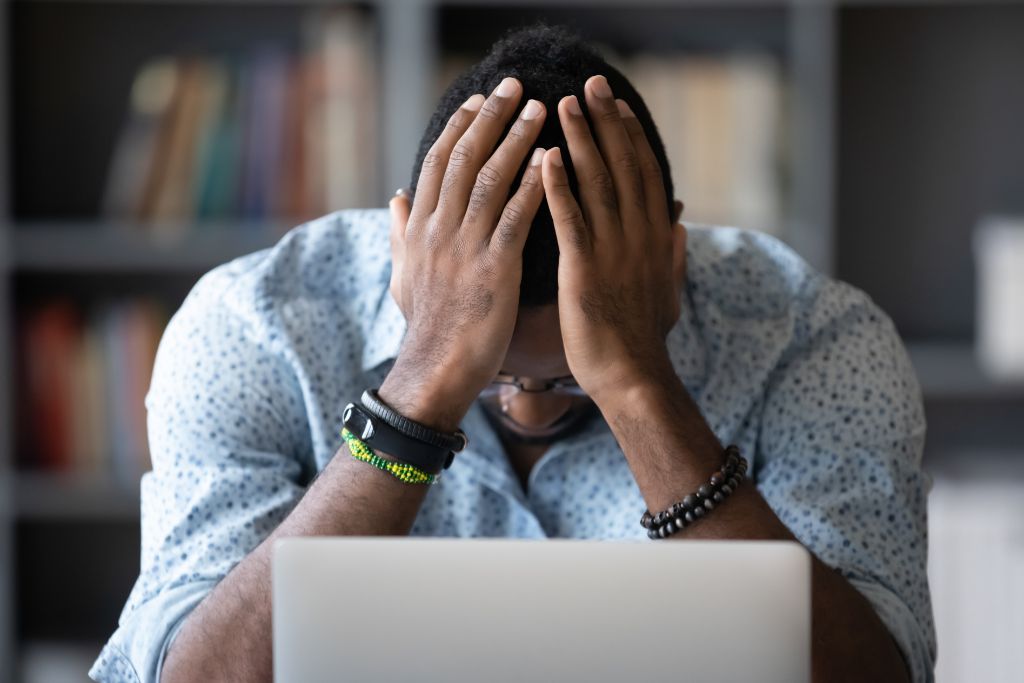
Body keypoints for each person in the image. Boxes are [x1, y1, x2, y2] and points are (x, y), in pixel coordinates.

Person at [90, 23, 935, 683]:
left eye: (570, 379)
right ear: (405, 251)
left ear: (670, 263)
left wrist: (639, 389)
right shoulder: (252, 327)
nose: (530, 406)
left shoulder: (814, 340)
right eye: (497, 380)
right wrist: (423, 385)